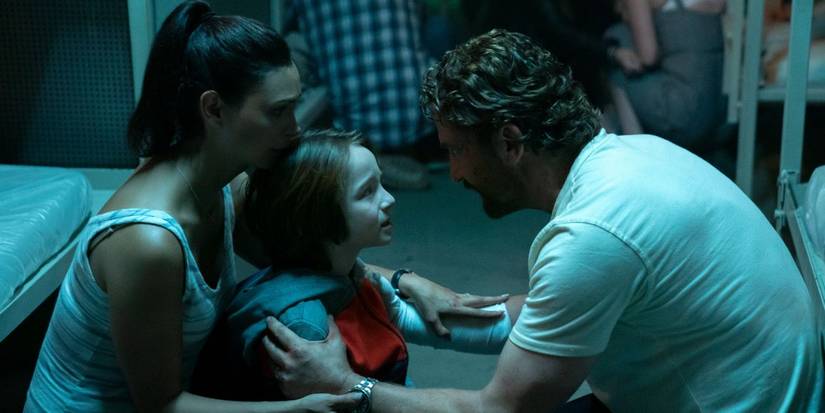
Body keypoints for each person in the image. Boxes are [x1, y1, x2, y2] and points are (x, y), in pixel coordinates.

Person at [262, 29, 824, 412]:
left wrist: (347, 387)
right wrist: (406, 289)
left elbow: (499, 406)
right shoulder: (634, 156)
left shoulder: (592, 234)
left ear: (510, 142)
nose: (453, 174)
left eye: (457, 150)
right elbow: (547, 317)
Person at [23, 2, 501, 411]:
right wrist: (293, 408)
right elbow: (159, 403)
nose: (295, 129)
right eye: (277, 111)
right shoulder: (147, 244)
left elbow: (308, 259)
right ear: (213, 110)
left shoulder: (228, 187)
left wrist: (405, 280)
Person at [195, 129, 518, 401]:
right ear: (318, 218)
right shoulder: (305, 327)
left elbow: (412, 323)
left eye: (380, 183)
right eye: (367, 192)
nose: (389, 199)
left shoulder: (354, 276)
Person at [605, 0, 727, 150]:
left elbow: (648, 56)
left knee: (617, 60)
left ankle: (635, 151)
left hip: (685, 113)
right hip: (723, 109)